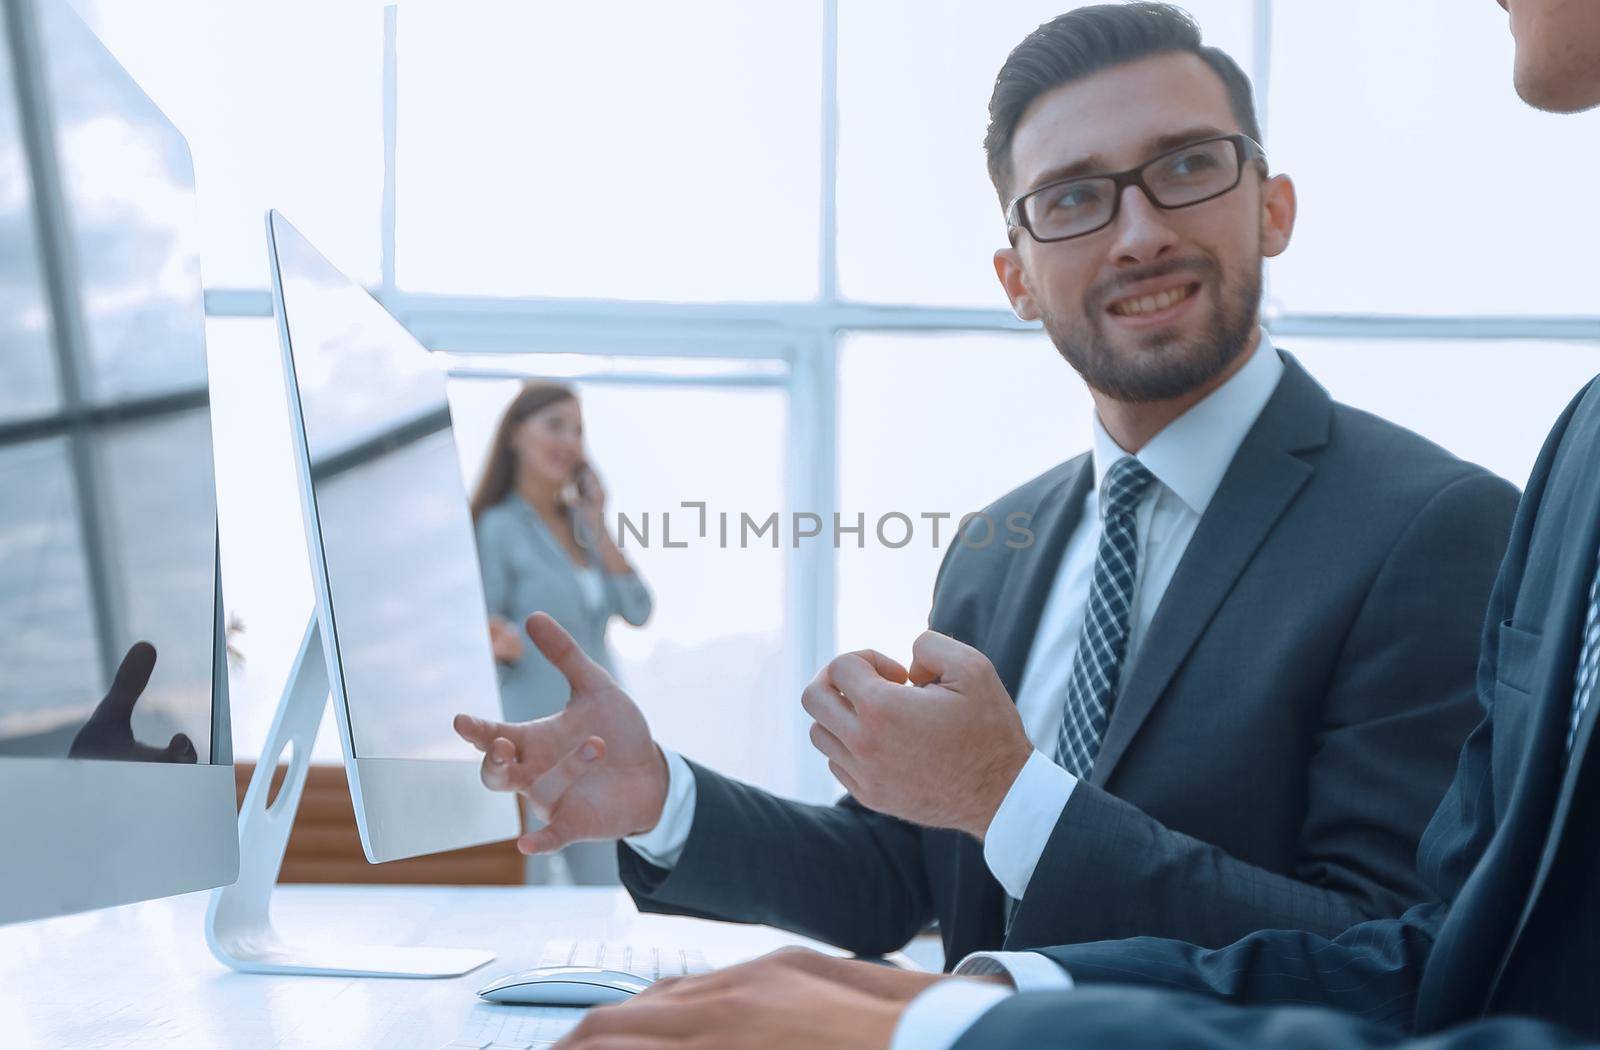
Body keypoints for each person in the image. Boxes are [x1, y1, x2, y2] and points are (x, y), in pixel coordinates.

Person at [549, 0, 1600, 1046]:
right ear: (1014, 277)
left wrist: (1009, 801)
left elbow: (1399, 955)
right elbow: (891, 873)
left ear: (1272, 208)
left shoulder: (1436, 527)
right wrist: (662, 796)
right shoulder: (997, 545)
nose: (1139, 234)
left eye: (1187, 167)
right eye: (1074, 199)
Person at [470, 381, 651, 884]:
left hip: (596, 739)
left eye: (578, 430)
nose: (570, 440)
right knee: (528, 879)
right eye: (555, 425)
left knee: (607, 886)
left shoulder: (581, 527)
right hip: (533, 738)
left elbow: (638, 608)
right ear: (515, 435)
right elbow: (483, 621)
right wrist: (498, 638)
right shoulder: (498, 527)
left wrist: (597, 520)